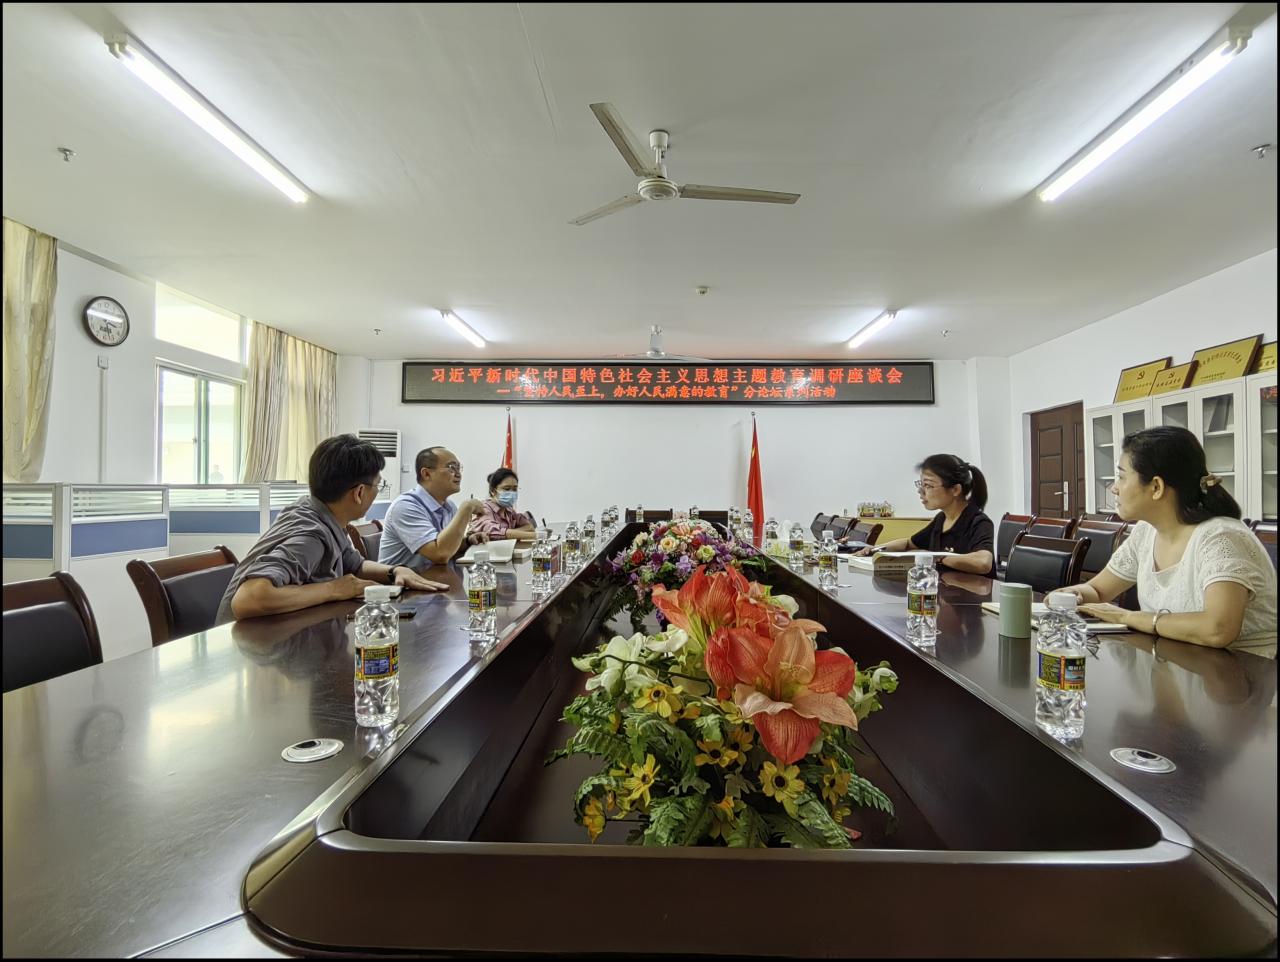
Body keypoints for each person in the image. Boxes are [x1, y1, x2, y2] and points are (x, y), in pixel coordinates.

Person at [1057, 426, 1276, 649]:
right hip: (1175, 659)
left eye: (1121, 477)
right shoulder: (1146, 532)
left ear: (1156, 487)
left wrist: (1127, 617)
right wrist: (1073, 595)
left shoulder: (1221, 538)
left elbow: (1217, 630)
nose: (1114, 488)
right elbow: (1098, 590)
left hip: (1241, 667)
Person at [216, 435, 448, 623]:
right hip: (252, 650)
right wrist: (333, 589)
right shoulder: (310, 536)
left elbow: (353, 564)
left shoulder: (322, 514)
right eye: (378, 485)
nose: (378, 490)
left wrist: (395, 571)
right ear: (359, 493)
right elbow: (249, 599)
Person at [854, 454, 995, 577]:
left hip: (972, 596)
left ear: (955, 489)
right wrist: (876, 550)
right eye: (921, 484)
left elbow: (983, 562)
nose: (921, 491)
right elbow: (908, 543)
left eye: (928, 485)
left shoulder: (978, 522)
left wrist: (936, 557)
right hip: (943, 591)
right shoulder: (941, 519)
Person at [379, 446, 487, 571]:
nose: (458, 474)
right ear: (426, 474)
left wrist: (467, 541)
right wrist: (467, 507)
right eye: (451, 467)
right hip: (401, 582)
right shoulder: (405, 506)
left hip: (433, 578)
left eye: (459, 468)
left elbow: (447, 547)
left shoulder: (449, 506)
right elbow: (439, 554)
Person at [469, 467, 538, 542]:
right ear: (493, 491)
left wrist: (509, 534)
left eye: (514, 489)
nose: (511, 493)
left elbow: (529, 527)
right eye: (507, 489)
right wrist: (537, 535)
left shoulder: (509, 510)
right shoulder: (483, 508)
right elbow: (493, 532)